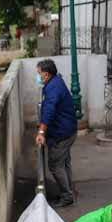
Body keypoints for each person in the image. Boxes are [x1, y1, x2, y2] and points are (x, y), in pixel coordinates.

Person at [35, 59, 78, 208]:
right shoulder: (56, 82)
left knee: (55, 165)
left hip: (62, 133)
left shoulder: (52, 88)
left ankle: (67, 196)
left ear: (46, 75)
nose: (38, 76)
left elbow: (49, 111)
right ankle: (68, 191)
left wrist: (41, 132)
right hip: (68, 130)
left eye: (39, 73)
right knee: (64, 162)